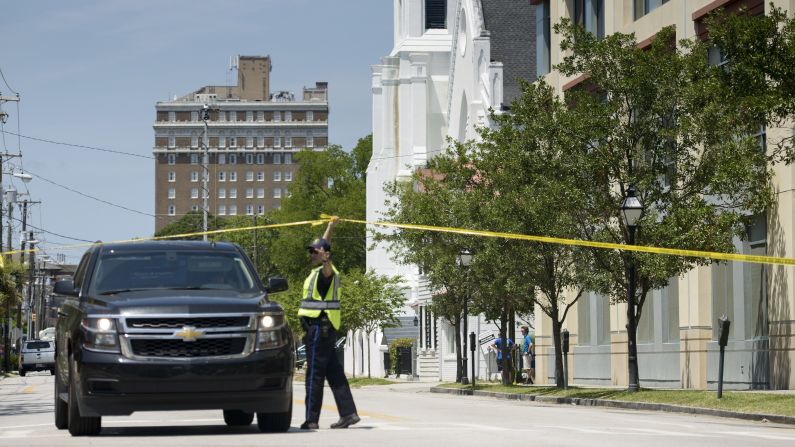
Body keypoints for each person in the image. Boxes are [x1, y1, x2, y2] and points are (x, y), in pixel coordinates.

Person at [298, 216, 360, 430]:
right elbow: (325, 245)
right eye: (312, 251)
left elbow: (327, 267)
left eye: (315, 252)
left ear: (325, 256)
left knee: (313, 375)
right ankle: (349, 414)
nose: (312, 254)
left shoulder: (327, 272)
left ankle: (311, 419)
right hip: (325, 330)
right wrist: (330, 227)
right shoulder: (316, 272)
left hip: (319, 329)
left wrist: (325, 259)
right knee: (335, 373)